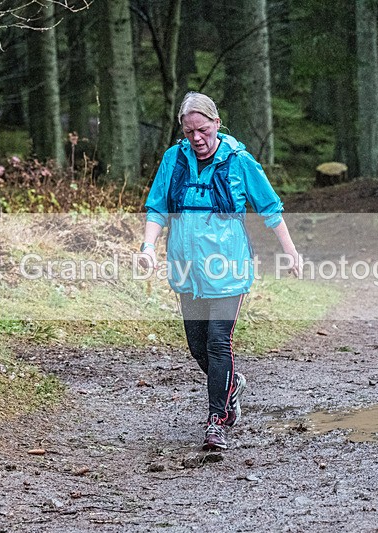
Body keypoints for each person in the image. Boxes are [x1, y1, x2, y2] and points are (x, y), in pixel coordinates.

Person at [139, 92, 302, 451]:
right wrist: (148, 247)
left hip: (228, 270)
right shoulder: (173, 160)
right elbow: (157, 208)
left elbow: (271, 209)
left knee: (217, 341)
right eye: (188, 132)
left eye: (203, 130)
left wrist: (290, 252)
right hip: (187, 271)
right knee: (197, 346)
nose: (196, 138)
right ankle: (232, 384)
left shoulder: (239, 161)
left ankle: (217, 421)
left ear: (216, 124)